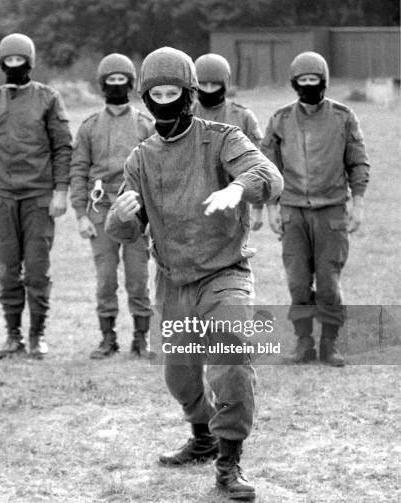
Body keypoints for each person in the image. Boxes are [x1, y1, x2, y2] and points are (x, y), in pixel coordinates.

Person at [105, 47, 283, 501]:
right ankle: (202, 436)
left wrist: (239, 187)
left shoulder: (222, 137)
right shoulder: (141, 157)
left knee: (232, 356)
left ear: (189, 95)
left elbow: (268, 176)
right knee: (180, 378)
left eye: (174, 93)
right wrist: (122, 214)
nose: (165, 101)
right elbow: (125, 229)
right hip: (174, 280)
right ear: (146, 97)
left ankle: (229, 461)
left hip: (224, 272)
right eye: (156, 93)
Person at [260, 51, 370, 367]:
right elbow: (268, 166)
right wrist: (271, 208)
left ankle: (330, 344)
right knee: (297, 281)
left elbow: (358, 161)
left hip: (332, 210)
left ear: (324, 81)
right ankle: (303, 343)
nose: (309, 85)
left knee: (329, 281)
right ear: (294, 83)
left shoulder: (343, 117)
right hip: (293, 211)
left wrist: (358, 203)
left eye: (314, 80)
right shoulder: (280, 120)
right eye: (303, 80)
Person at [0, 33, 72, 360]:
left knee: (37, 270)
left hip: (39, 197)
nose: (14, 66)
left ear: (30, 62)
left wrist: (61, 192)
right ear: (2, 64)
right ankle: (12, 334)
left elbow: (62, 147)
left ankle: (37, 335)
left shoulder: (49, 99)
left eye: (19, 61)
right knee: (6, 270)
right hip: (2, 197)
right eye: (9, 62)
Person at [70, 53, 154, 359]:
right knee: (105, 278)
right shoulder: (90, 126)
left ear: (131, 84)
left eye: (122, 81)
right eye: (111, 81)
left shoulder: (147, 125)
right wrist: (80, 214)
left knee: (138, 277)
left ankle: (141, 337)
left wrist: (153, 215)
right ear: (102, 85)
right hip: (100, 208)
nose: (116, 86)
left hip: (136, 210)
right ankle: (107, 338)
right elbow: (78, 169)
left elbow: (158, 171)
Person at [192, 53, 265, 231]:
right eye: (203, 84)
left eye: (215, 84)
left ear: (225, 84)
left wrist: (258, 208)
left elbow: (258, 165)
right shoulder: (185, 115)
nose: (209, 90)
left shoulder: (243, 117)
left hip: (233, 203)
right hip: (191, 202)